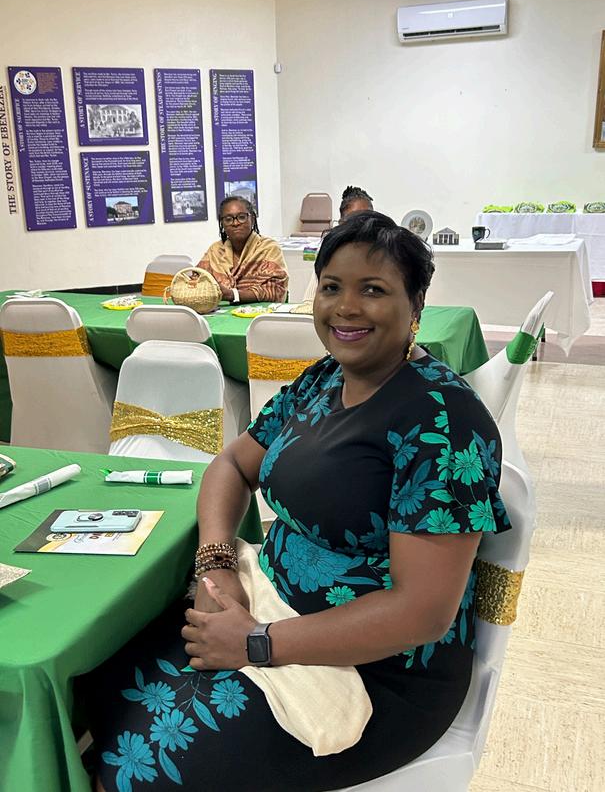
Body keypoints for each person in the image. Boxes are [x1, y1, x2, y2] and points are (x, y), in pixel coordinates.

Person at [88, 211, 510, 792]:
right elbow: (231, 465)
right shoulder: (322, 381)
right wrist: (217, 567)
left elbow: (421, 612)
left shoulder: (444, 423)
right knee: (97, 679)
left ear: (416, 306)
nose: (346, 308)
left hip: (377, 673)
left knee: (139, 768)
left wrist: (256, 643)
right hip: (266, 605)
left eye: (373, 290)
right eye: (331, 287)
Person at [197, 196, 288, 303]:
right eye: (228, 219)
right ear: (222, 224)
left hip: (260, 311)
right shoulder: (215, 250)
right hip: (220, 311)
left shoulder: (268, 248)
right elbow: (197, 279)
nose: (235, 223)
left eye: (241, 217)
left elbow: (276, 289)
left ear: (252, 219)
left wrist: (232, 294)